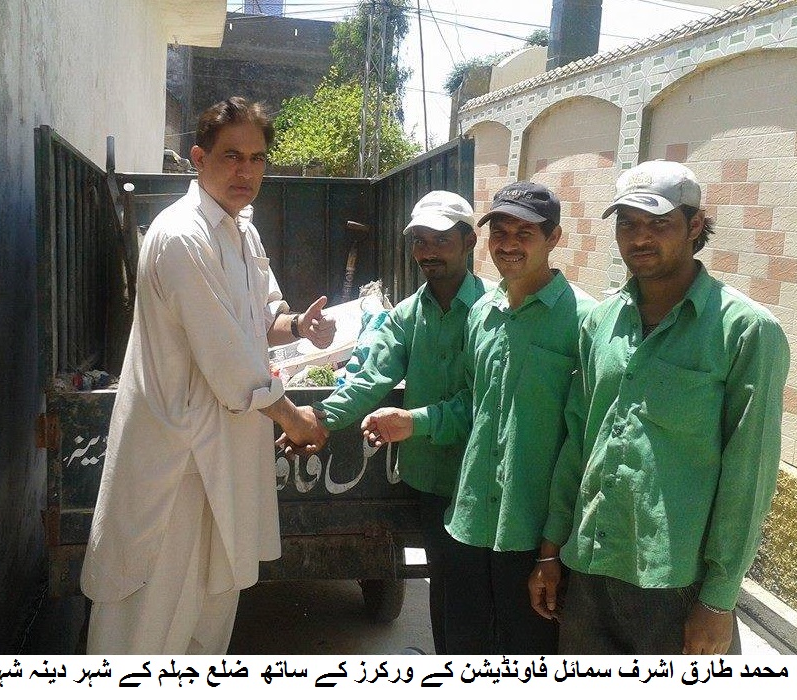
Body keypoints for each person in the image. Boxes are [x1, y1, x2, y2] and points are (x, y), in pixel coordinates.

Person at [80, 97, 334, 655]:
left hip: (226, 457)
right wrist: (294, 419)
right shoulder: (181, 236)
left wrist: (298, 325)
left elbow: (259, 318)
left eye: (257, 158)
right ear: (199, 158)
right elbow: (231, 363)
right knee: (147, 626)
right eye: (231, 156)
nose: (246, 171)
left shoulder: (242, 231)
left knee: (207, 622)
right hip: (177, 461)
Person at [530, 160, 790, 655]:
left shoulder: (745, 331)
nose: (640, 237)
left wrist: (719, 601)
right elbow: (578, 442)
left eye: (659, 223)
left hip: (677, 587)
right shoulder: (601, 323)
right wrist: (550, 550)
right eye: (627, 223)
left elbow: (749, 476)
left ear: (695, 226)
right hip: (589, 570)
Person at [362, 182, 595, 653]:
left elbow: (584, 439)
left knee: (526, 648)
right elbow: (473, 406)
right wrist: (415, 422)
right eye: (500, 232)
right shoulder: (483, 313)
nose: (509, 244)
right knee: (461, 642)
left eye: (524, 233)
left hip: (530, 526)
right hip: (469, 519)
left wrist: (554, 545)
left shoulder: (585, 319)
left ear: (553, 238)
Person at [301, 190, 492, 654]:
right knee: (443, 590)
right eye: (420, 241)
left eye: (441, 240)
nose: (428, 251)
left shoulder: (494, 311)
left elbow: (488, 402)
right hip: (431, 478)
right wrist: (320, 416)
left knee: (482, 598)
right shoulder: (405, 316)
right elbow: (371, 377)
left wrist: (414, 421)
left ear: (468, 241)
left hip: (483, 478)